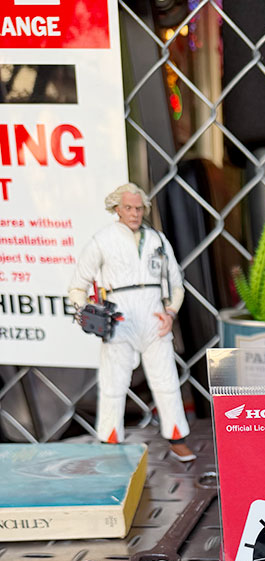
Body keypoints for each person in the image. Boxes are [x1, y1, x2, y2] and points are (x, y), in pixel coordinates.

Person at [69, 182, 194, 461]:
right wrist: (86, 311)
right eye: (128, 208)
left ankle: (177, 437)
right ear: (117, 209)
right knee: (113, 383)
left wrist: (171, 313)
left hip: (153, 316)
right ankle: (110, 439)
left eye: (139, 208)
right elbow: (77, 286)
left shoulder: (157, 240)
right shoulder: (102, 240)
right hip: (119, 317)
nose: (135, 213)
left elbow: (177, 284)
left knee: (166, 380)